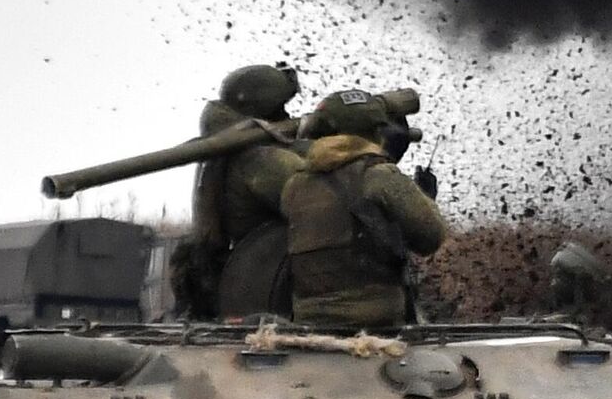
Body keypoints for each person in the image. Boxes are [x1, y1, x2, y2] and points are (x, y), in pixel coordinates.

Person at [282, 89, 447, 328]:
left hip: (309, 320)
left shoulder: (294, 185)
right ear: (377, 129)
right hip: (375, 322)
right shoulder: (380, 176)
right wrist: (424, 196)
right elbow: (431, 238)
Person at [172, 63, 306, 318]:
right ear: (268, 110)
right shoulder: (261, 159)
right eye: (282, 108)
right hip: (267, 288)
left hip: (240, 284)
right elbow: (326, 198)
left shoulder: (223, 151)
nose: (289, 116)